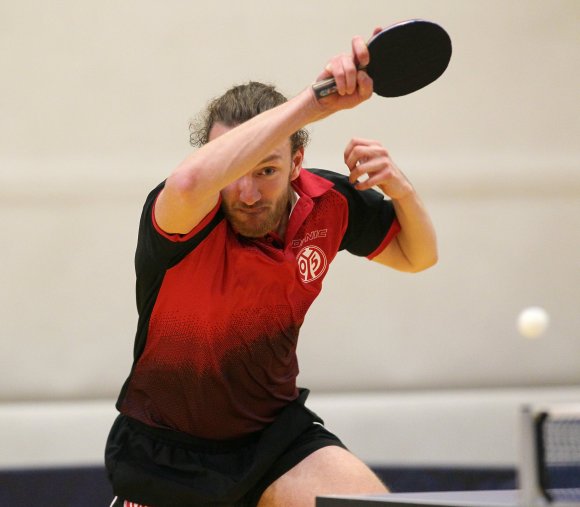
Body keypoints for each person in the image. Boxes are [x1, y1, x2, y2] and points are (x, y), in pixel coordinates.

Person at [105, 30, 438, 507]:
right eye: (234, 172)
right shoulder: (181, 213)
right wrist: (315, 103)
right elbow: (192, 178)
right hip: (166, 452)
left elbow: (418, 256)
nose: (248, 193)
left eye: (267, 170)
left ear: (296, 162)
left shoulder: (329, 205)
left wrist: (401, 189)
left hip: (273, 440)